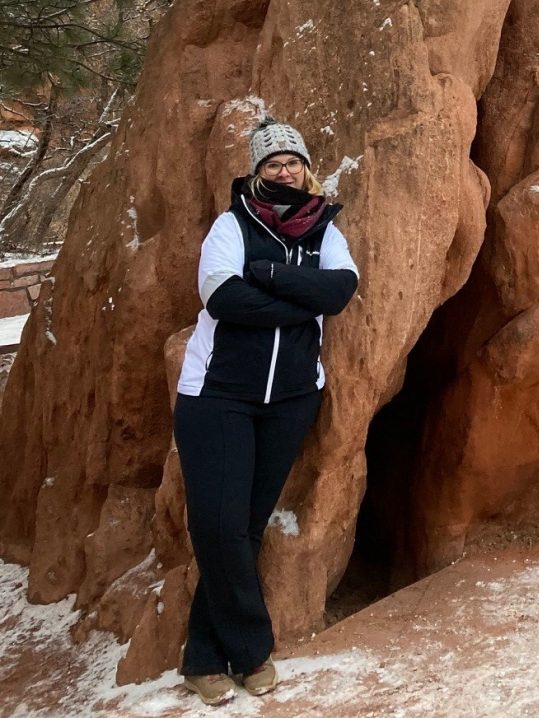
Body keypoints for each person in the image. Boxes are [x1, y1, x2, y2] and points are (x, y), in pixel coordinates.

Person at [173, 118, 359, 705]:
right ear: (257, 173)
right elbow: (223, 297)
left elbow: (339, 291)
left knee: (244, 530)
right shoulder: (231, 225)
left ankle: (203, 658)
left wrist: (273, 275)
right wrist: (300, 299)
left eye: (293, 163)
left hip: (292, 398)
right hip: (218, 394)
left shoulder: (323, 228)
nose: (285, 171)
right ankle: (251, 650)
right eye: (273, 163)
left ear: (307, 170)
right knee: (220, 527)